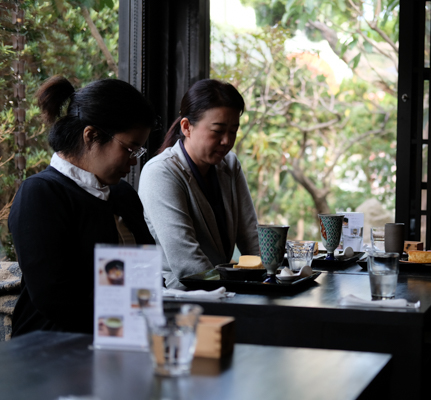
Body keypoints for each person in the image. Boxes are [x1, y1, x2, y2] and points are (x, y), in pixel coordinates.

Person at [8, 76, 156, 336]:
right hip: (54, 348)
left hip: (124, 339)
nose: (134, 161)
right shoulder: (41, 193)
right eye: (130, 148)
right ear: (91, 135)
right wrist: (129, 331)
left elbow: (146, 276)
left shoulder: (122, 194)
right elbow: (54, 299)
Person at [138, 79, 259, 289]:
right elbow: (188, 262)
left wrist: (271, 277)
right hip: (179, 295)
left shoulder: (229, 164)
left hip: (222, 289)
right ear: (186, 127)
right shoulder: (160, 172)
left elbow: (250, 235)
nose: (227, 141)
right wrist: (235, 291)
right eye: (218, 130)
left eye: (233, 131)